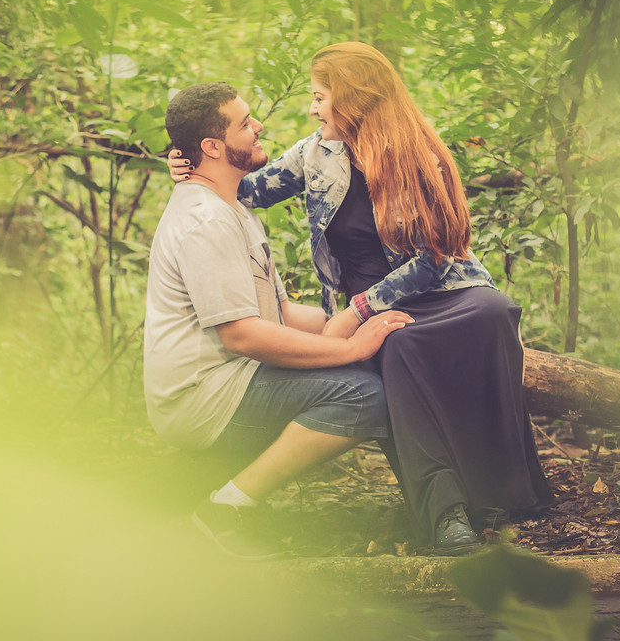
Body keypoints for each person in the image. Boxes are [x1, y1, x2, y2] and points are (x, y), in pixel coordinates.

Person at [168, 43, 553, 554]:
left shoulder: (420, 156)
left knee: (494, 311)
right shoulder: (315, 154)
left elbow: (434, 259)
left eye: (320, 97)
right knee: (399, 347)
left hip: (438, 288)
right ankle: (445, 513)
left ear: (355, 100)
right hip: (371, 307)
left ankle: (500, 487)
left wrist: (358, 310)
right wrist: (189, 162)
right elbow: (247, 189)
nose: (313, 108)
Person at [145, 81, 414, 560]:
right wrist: (351, 348)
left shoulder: (233, 207)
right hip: (203, 395)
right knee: (363, 395)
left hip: (233, 377)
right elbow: (243, 335)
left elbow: (281, 314)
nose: (258, 126)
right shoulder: (205, 220)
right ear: (212, 147)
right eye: (245, 123)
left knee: (370, 370)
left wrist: (356, 316)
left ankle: (433, 506)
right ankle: (224, 510)